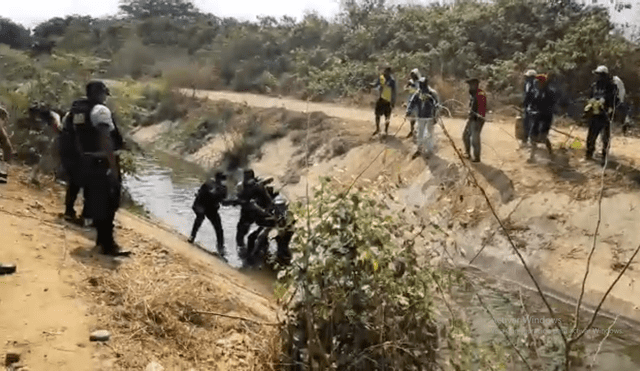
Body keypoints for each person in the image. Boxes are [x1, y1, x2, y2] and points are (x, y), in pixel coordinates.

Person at [63, 80, 129, 256]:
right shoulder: (100, 111)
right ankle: (107, 245)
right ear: (100, 93)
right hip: (103, 163)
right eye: (104, 94)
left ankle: (102, 241)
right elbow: (105, 137)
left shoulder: (78, 111)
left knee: (97, 201)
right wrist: (113, 167)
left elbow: (76, 136)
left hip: (88, 162)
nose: (105, 98)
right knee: (110, 203)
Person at [188, 171, 228, 257]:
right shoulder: (208, 184)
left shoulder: (223, 189)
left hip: (212, 209)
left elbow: (223, 201)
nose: (222, 181)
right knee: (199, 220)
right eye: (221, 179)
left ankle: (220, 247)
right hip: (203, 205)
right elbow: (199, 195)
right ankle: (192, 236)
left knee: (219, 228)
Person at [233, 169, 274, 252]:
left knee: (261, 232)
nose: (246, 178)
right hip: (248, 212)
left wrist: (268, 210)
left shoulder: (258, 185)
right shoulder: (241, 186)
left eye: (248, 176)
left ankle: (262, 249)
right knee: (241, 231)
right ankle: (241, 248)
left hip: (260, 212)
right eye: (245, 176)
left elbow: (268, 200)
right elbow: (238, 199)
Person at [584, 65, 618, 164]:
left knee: (605, 138)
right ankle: (589, 154)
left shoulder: (611, 87)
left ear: (605, 75)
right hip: (594, 114)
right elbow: (590, 97)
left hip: (605, 115)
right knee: (591, 135)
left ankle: (604, 157)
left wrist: (606, 103)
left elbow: (614, 100)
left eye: (600, 75)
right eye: (597, 74)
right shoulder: (594, 86)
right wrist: (591, 104)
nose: (598, 76)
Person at [406, 77, 439, 158]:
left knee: (429, 134)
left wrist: (435, 116)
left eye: (422, 84)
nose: (421, 85)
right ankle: (419, 149)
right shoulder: (417, 93)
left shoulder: (432, 93)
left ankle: (429, 151)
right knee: (420, 133)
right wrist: (408, 111)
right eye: (420, 84)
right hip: (420, 116)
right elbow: (412, 102)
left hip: (430, 117)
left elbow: (437, 105)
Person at [528, 74, 556, 162]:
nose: (536, 84)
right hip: (537, 117)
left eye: (537, 82)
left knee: (543, 137)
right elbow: (531, 104)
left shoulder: (550, 92)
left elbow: (551, 107)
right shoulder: (536, 92)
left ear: (542, 82)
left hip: (546, 118)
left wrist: (539, 112)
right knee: (533, 136)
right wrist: (530, 110)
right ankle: (532, 157)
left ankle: (551, 155)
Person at [462, 78, 487, 162]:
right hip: (472, 118)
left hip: (477, 119)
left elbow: (482, 107)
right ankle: (467, 153)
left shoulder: (480, 93)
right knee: (465, 136)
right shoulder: (473, 94)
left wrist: (479, 115)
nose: (469, 86)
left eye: (471, 84)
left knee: (475, 139)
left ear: (475, 85)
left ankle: (477, 157)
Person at [370, 67, 397, 136]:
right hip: (380, 99)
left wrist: (393, 101)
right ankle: (377, 129)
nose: (385, 73)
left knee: (387, 116)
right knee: (377, 115)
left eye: (387, 72)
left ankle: (386, 130)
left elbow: (394, 91)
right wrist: (372, 86)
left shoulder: (391, 81)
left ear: (389, 73)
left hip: (387, 100)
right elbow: (376, 85)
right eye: (385, 71)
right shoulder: (381, 78)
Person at [520, 69, 538, 147]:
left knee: (527, 124)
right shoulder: (532, 84)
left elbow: (528, 96)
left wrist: (524, 104)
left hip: (531, 108)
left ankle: (527, 141)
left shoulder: (531, 84)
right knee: (530, 124)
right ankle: (531, 141)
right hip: (532, 107)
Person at [404, 68, 422, 138]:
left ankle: (417, 132)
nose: (412, 76)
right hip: (411, 99)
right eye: (412, 75)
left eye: (414, 75)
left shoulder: (420, 82)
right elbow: (405, 89)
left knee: (418, 117)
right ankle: (412, 130)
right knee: (412, 117)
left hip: (417, 100)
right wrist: (408, 88)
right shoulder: (410, 82)